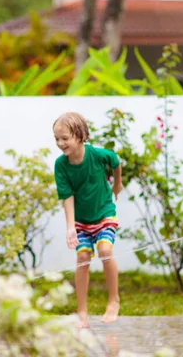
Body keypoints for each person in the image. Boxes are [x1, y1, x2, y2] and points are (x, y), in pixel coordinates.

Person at [52, 112, 123, 326]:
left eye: (65, 138)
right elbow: (67, 197)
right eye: (56, 139)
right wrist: (70, 228)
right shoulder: (60, 165)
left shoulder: (99, 155)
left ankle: (113, 300)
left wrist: (117, 184)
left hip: (104, 214)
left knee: (105, 251)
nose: (60, 143)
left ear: (81, 135)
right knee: (82, 258)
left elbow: (116, 161)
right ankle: (81, 312)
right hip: (81, 221)